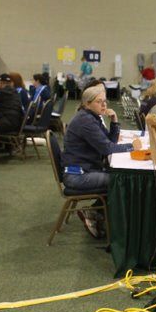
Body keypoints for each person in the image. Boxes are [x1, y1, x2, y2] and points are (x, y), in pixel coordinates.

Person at [62, 84, 141, 238]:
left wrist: (114, 120)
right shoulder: (86, 121)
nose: (104, 105)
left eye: (105, 101)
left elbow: (109, 141)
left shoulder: (92, 117)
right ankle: (97, 213)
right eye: (99, 101)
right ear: (87, 103)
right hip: (77, 176)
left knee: (119, 176)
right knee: (121, 180)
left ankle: (94, 212)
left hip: (86, 170)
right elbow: (107, 148)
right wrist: (132, 147)